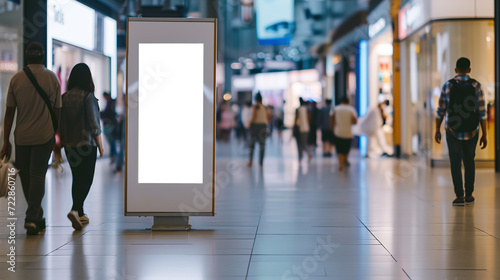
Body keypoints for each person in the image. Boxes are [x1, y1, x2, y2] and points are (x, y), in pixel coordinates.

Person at [1, 42, 61, 235]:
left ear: (27, 57)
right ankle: (34, 215)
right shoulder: (52, 78)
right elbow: (57, 110)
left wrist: (6, 140)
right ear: (42, 56)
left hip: (22, 136)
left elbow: (9, 113)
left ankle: (34, 216)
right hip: (44, 135)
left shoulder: (17, 78)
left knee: (26, 175)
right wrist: (55, 132)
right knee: (36, 175)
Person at [435, 57, 487, 206]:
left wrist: (437, 130)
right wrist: (485, 134)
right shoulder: (476, 85)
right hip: (472, 131)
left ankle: (459, 196)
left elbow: (441, 111)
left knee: (455, 163)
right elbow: (482, 112)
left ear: (455, 70)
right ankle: (469, 194)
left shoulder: (447, 86)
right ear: (469, 70)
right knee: (469, 162)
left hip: (452, 131)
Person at [59, 63, 104, 230]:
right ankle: (75, 209)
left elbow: (60, 123)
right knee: (87, 179)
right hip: (86, 145)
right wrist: (100, 145)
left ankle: (81, 213)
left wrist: (59, 146)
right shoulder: (88, 97)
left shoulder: (64, 97)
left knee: (77, 178)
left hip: (69, 145)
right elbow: (94, 124)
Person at [331, 97, 357, 171]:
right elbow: (355, 121)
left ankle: (340, 164)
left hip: (338, 132)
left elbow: (331, 119)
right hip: (348, 132)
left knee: (339, 149)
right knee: (346, 148)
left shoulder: (335, 109)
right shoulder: (351, 109)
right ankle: (345, 160)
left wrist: (333, 129)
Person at [248, 92, 270, 167]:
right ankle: (261, 162)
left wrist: (250, 123)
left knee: (252, 144)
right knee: (262, 145)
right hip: (263, 125)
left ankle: (250, 160)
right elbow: (268, 116)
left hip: (256, 125)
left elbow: (254, 115)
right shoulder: (264, 107)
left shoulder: (256, 106)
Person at [100, 91, 117, 163]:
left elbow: (109, 113)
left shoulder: (111, 103)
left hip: (110, 125)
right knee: (112, 142)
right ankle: (113, 156)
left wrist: (101, 114)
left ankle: (114, 156)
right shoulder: (110, 102)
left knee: (112, 142)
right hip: (110, 124)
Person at [295, 97, 312, 162]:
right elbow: (309, 119)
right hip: (307, 128)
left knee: (301, 143)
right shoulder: (307, 109)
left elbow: (297, 120)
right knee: (304, 142)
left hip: (300, 128)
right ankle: (301, 156)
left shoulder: (298, 109)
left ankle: (306, 154)